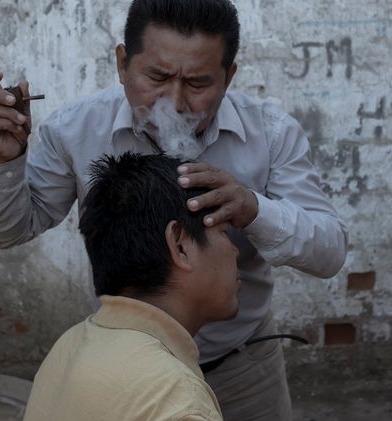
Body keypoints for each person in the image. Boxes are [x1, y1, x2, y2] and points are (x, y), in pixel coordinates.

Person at [0, 0, 348, 420]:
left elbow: (329, 252)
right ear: (121, 63)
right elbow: (9, 230)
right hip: (128, 371)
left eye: (197, 83)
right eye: (156, 77)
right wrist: (7, 161)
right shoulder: (76, 132)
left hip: (243, 367)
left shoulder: (270, 135)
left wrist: (253, 208)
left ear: (229, 76)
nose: (174, 103)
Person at [23, 152, 235, 420]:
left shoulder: (70, 344)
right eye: (225, 233)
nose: (236, 252)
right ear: (180, 244)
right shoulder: (176, 399)